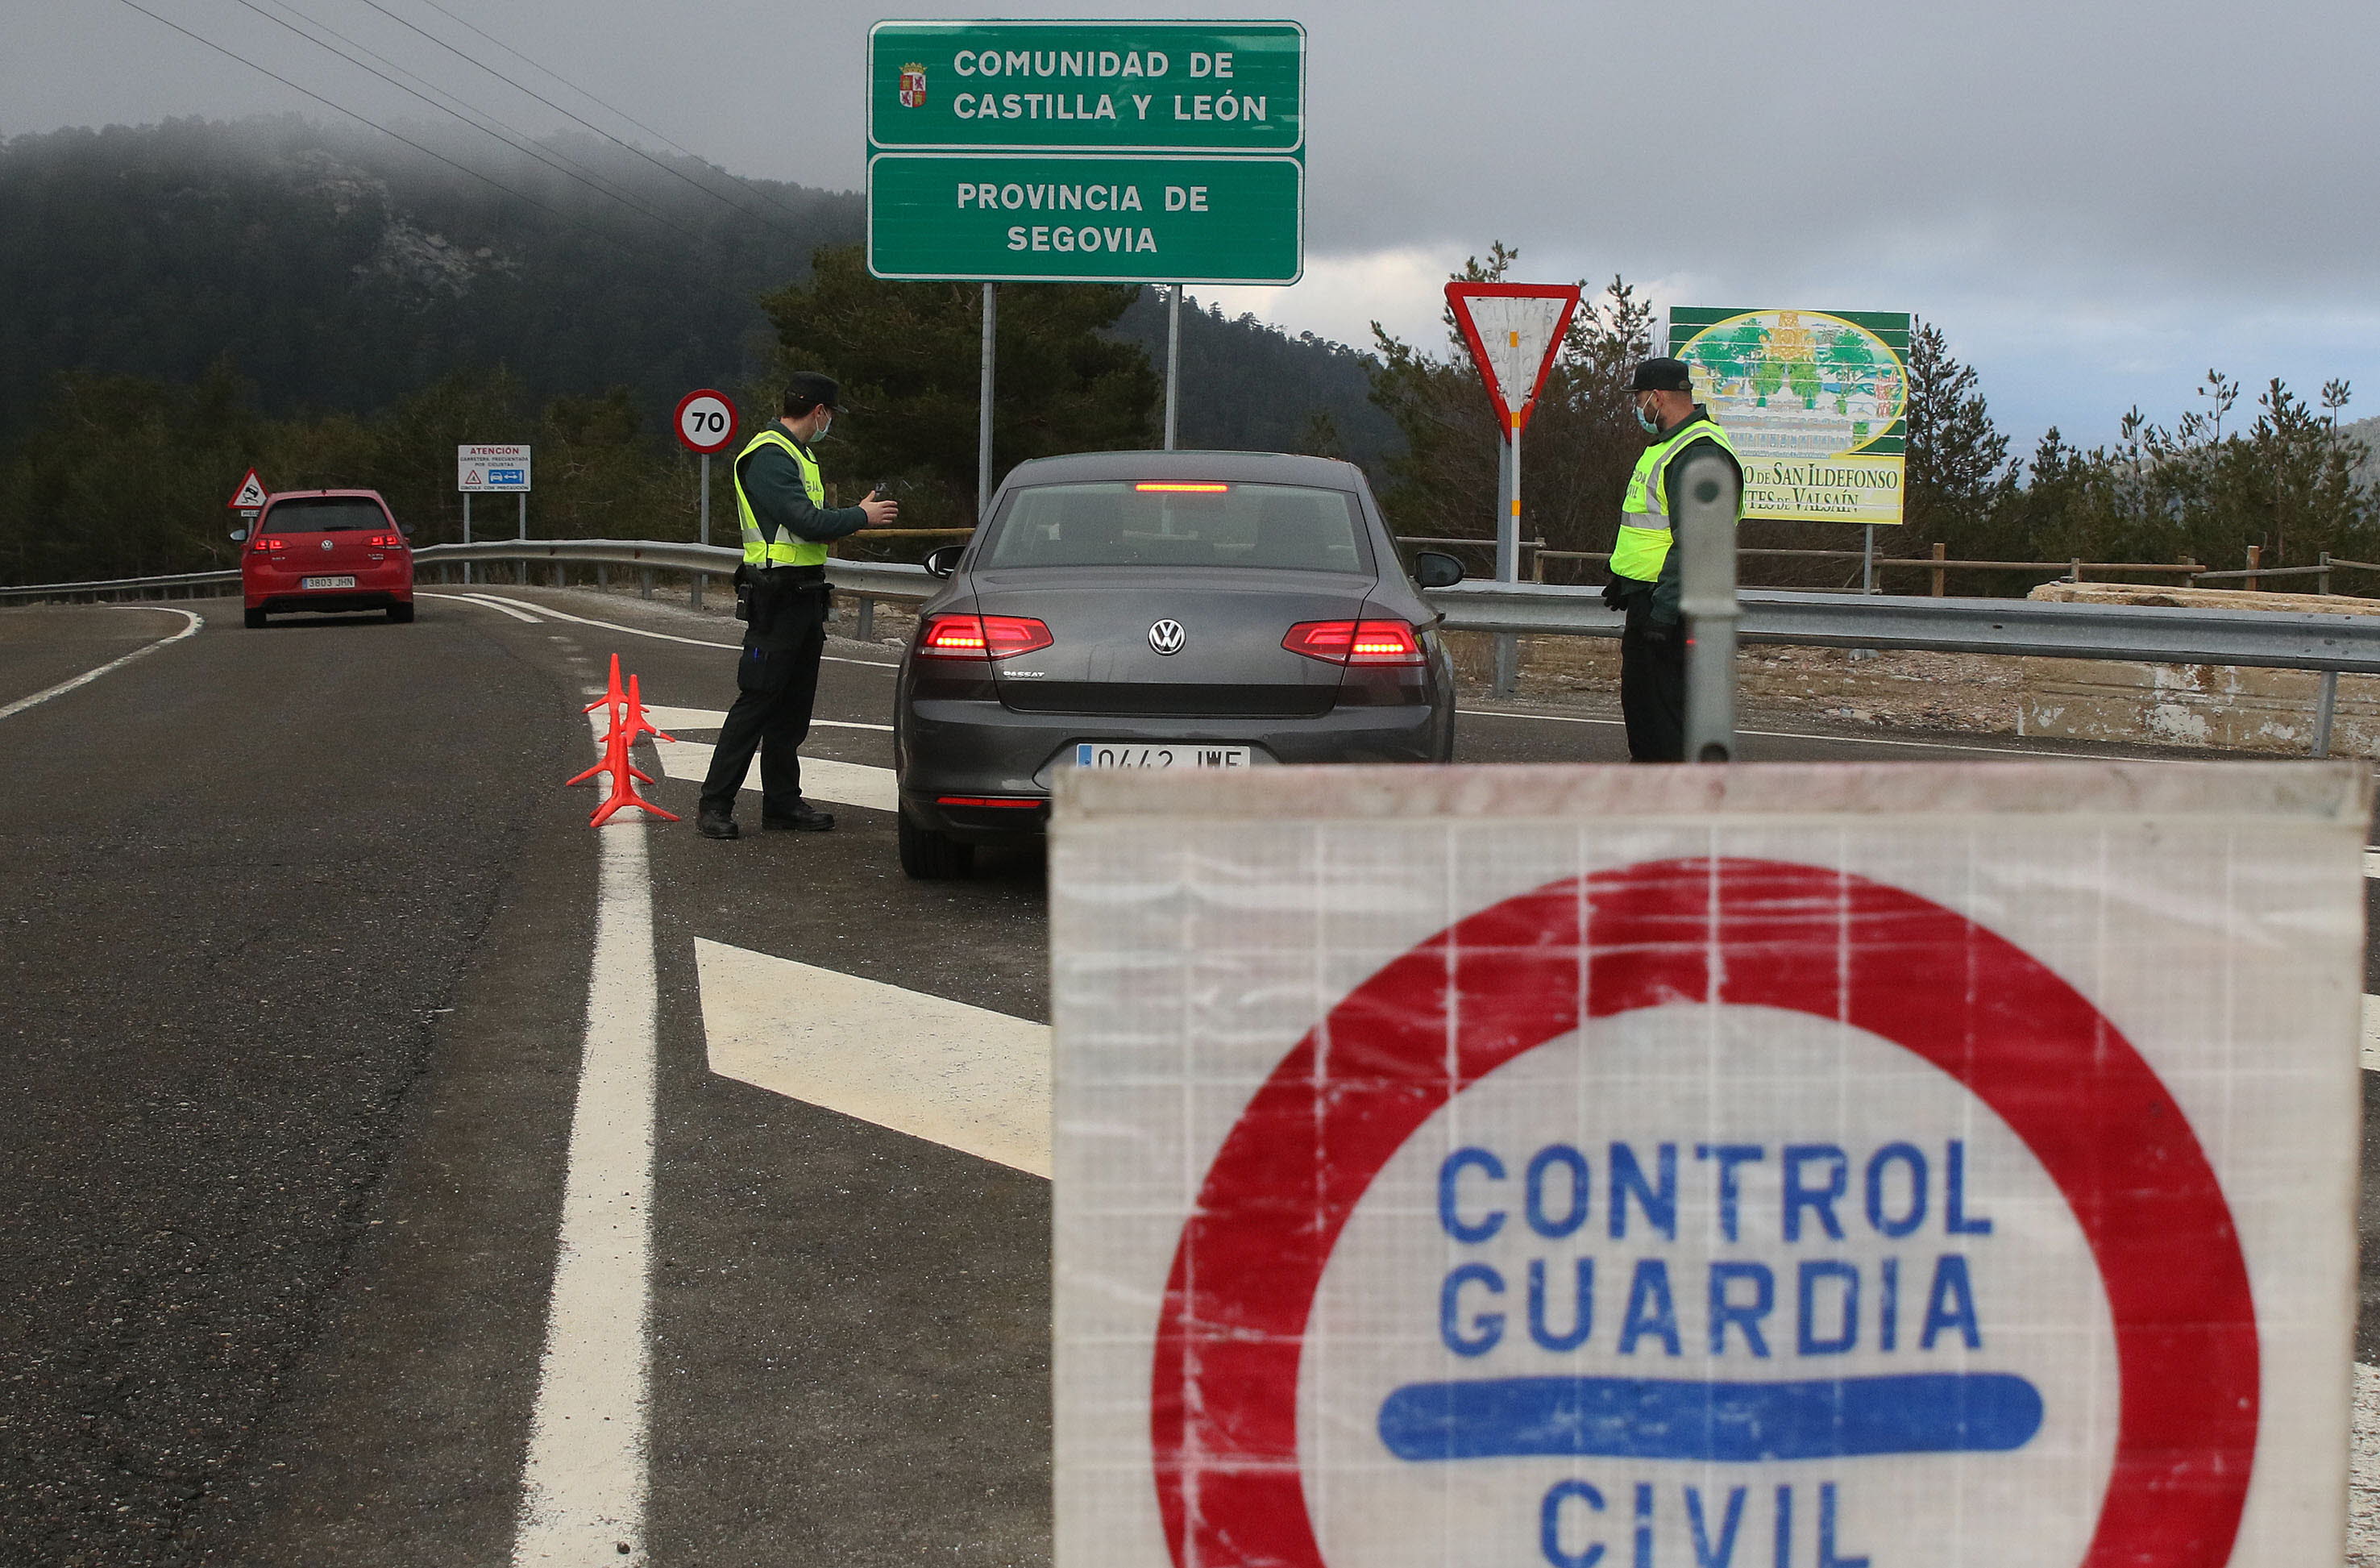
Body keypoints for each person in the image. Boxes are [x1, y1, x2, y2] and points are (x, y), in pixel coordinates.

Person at [696, 372, 897, 839]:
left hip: (806, 596)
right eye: (831, 416)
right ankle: (715, 805)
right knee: (758, 702)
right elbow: (804, 521)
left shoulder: (801, 456)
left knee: (792, 711)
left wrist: (850, 516)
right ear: (820, 412)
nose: (831, 425)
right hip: (776, 597)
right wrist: (860, 517)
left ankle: (782, 804)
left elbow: (812, 525)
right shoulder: (770, 455)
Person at [1601, 357, 1743, 762]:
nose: (1637, 407)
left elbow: (1698, 543)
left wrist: (1663, 612)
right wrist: (1626, 580)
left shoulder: (1697, 454)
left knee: (1663, 724)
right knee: (1649, 717)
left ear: (1657, 397)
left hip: (1670, 610)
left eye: (1640, 398)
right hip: (1652, 600)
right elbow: (1653, 530)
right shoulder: (1673, 446)